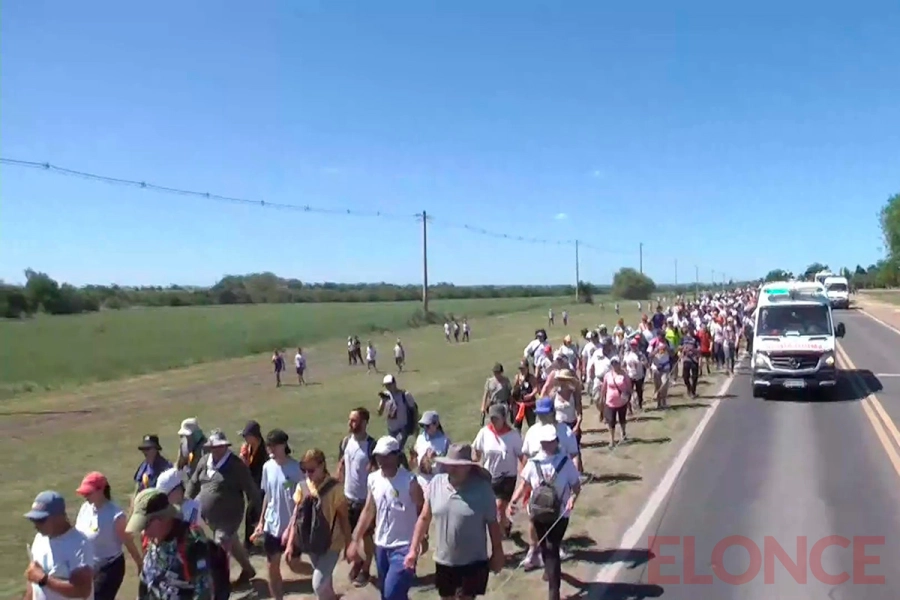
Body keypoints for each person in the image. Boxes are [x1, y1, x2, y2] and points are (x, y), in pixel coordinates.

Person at [405, 444, 505, 600]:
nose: (452, 469)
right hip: (444, 560)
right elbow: (424, 517)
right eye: (450, 465)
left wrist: (497, 552)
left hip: (473, 562)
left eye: (458, 466)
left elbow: (493, 524)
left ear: (468, 467)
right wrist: (413, 549)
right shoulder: (436, 484)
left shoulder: (483, 490)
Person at [347, 436, 425, 600]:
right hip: (381, 546)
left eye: (387, 455)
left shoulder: (410, 481)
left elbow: (422, 511)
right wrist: (355, 540)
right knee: (387, 594)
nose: (383, 460)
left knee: (392, 594)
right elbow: (368, 510)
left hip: (405, 547)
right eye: (379, 456)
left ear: (397, 455)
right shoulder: (373, 479)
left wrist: (422, 538)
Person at [509, 425, 581, 600]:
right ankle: (552, 578)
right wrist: (572, 498)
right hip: (559, 515)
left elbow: (524, 484)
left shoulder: (534, 463)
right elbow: (576, 487)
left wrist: (514, 500)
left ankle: (553, 592)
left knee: (550, 549)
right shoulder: (564, 462)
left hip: (541, 513)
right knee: (549, 548)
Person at [186, 429, 261, 587]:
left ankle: (219, 587)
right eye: (214, 447)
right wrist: (185, 502)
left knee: (220, 547)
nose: (217, 449)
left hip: (229, 514)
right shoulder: (204, 461)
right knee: (230, 541)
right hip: (207, 516)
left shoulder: (236, 465)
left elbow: (251, 489)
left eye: (220, 446)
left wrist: (260, 516)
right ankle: (248, 570)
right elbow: (193, 483)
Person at [127, 489, 215, 600]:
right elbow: (146, 579)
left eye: (145, 525)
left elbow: (204, 592)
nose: (143, 532)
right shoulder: (151, 540)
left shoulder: (192, 544)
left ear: (162, 518)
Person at [288, 448, 351, 600]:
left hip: (332, 543)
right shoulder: (302, 486)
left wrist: (349, 544)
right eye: (304, 470)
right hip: (311, 541)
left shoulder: (335, 488)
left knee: (318, 583)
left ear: (322, 466)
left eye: (311, 470)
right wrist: (290, 542)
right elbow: (296, 515)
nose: (308, 474)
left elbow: (344, 517)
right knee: (325, 583)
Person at [74, 472, 142, 600]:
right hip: (88, 565)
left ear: (101, 490)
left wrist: (139, 563)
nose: (85, 496)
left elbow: (128, 541)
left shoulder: (115, 515)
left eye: (88, 493)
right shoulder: (85, 509)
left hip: (110, 567)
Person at [253, 429, 303, 600]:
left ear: (283, 445)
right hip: (272, 525)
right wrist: (261, 521)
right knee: (271, 566)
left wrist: (295, 526)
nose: (271, 449)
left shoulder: (296, 468)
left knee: (294, 564)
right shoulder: (267, 467)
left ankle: (321, 575)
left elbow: (304, 499)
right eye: (269, 446)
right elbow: (268, 495)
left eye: (274, 446)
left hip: (291, 526)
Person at [23, 491, 94, 600]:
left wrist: (43, 579)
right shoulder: (40, 539)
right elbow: (33, 583)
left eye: (41, 520)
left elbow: (83, 590)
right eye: (33, 520)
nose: (36, 525)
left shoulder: (79, 544)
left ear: (59, 517)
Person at [337, 407, 378, 588]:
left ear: (364, 423)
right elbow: (342, 466)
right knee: (350, 534)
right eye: (350, 420)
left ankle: (367, 569)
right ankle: (358, 561)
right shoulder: (346, 442)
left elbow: (379, 472)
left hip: (365, 500)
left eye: (354, 420)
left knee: (366, 536)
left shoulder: (372, 446)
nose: (350, 423)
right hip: (348, 498)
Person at [472, 403, 524, 537]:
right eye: (491, 418)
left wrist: (526, 477)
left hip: (507, 478)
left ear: (504, 418)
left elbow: (522, 457)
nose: (493, 421)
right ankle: (506, 524)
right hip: (488, 477)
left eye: (496, 418)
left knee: (499, 510)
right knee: (493, 511)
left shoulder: (513, 436)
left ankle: (499, 546)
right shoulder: (484, 433)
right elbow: (477, 452)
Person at [238, 420, 267, 553]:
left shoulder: (264, 451)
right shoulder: (247, 448)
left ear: (255, 436)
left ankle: (249, 544)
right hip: (250, 486)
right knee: (255, 514)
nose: (245, 439)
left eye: (247, 436)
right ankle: (254, 542)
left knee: (252, 513)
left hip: (261, 486)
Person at [410, 410, 451, 490]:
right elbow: (414, 461)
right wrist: (413, 456)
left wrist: (436, 457)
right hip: (422, 481)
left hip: (438, 482)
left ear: (436, 424)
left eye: (428, 426)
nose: (425, 428)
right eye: (423, 426)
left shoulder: (445, 440)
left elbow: (450, 462)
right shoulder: (420, 438)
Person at [377, 374, 418, 451]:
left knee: (397, 449)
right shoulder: (385, 395)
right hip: (391, 429)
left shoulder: (405, 395)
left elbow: (414, 409)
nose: (388, 387)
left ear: (394, 383)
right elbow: (379, 413)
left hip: (402, 428)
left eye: (389, 384)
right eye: (386, 385)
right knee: (394, 451)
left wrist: (415, 425)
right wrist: (383, 401)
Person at [600, 357, 633, 447]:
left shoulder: (624, 375)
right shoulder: (608, 375)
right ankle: (612, 440)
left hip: (622, 401)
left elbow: (629, 388)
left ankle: (623, 432)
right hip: (610, 402)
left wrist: (629, 399)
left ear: (619, 364)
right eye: (613, 363)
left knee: (622, 419)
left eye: (616, 363)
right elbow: (604, 388)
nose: (614, 365)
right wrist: (602, 398)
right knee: (611, 421)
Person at [133, 434, 172, 499]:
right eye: (143, 449)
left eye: (148, 449)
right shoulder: (143, 466)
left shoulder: (166, 468)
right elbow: (137, 489)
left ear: (156, 449)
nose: (144, 452)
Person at [511, 360, 539, 432]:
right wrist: (519, 383)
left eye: (523, 368)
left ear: (527, 368)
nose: (522, 371)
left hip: (529, 404)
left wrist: (530, 395)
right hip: (519, 404)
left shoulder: (531, 378)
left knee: (532, 424)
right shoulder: (517, 377)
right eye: (520, 369)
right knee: (517, 425)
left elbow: (536, 388)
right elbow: (514, 390)